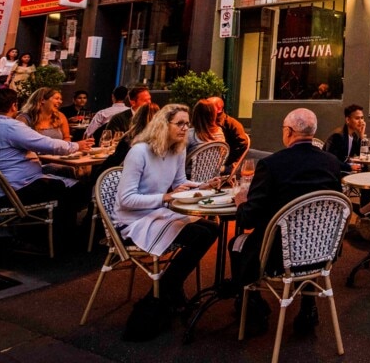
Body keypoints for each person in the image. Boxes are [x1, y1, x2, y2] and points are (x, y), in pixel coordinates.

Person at [230, 108, 343, 338]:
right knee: (308, 235)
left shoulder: (272, 165)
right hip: (323, 250)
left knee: (236, 243)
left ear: (289, 132)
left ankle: (253, 305)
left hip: (278, 254)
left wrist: (241, 202)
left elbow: (248, 218)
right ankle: (308, 307)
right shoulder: (331, 163)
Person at [0, 87, 93, 244]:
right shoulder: (11, 127)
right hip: (16, 192)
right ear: (13, 106)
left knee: (61, 176)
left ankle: (38, 231)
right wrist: (77, 146)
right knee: (78, 188)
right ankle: (60, 240)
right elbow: (47, 144)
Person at [115, 104, 219, 311]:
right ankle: (168, 289)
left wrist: (203, 185)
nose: (184, 129)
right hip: (133, 221)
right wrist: (165, 198)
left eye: (187, 124)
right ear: (163, 125)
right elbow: (126, 199)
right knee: (199, 235)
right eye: (179, 123)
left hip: (158, 214)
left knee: (212, 229)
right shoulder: (139, 152)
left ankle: (167, 286)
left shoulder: (177, 150)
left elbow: (181, 181)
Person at [207, 96, 251, 175]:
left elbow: (243, 144)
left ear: (219, 109)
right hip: (206, 162)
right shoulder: (204, 122)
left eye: (208, 107)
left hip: (224, 165)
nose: (205, 109)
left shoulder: (233, 124)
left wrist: (230, 162)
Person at [324, 104, 366, 173]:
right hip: (332, 172)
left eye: (362, 118)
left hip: (344, 170)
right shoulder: (337, 136)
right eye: (357, 118)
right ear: (347, 120)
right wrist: (349, 167)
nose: (361, 121)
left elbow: (360, 154)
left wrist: (361, 135)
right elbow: (331, 160)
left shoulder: (354, 135)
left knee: (364, 169)